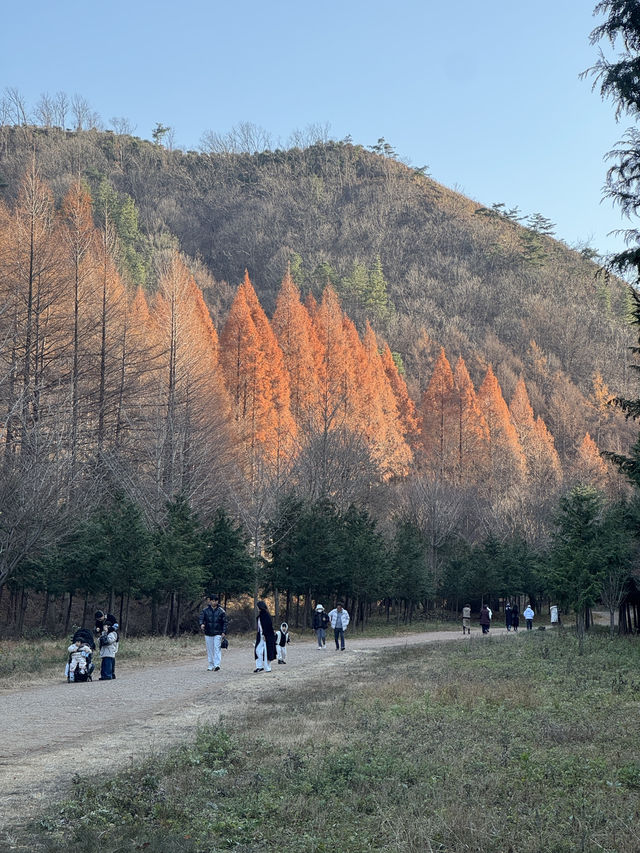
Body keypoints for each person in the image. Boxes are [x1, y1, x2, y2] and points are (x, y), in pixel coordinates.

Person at [199, 593, 228, 671]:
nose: (214, 602)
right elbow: (201, 618)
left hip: (218, 632)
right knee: (210, 649)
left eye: (215, 601)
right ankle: (211, 664)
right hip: (208, 632)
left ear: (217, 602)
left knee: (217, 648)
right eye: (212, 601)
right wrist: (201, 624)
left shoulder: (221, 611)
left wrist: (224, 631)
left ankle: (217, 664)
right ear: (210, 601)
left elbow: (225, 622)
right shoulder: (205, 610)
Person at [254, 600, 277, 672]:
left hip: (267, 635)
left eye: (258, 607)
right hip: (260, 635)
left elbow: (268, 626)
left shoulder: (266, 615)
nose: (257, 608)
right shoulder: (260, 615)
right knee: (258, 650)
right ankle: (259, 666)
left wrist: (264, 634)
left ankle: (267, 667)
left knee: (267, 651)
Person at [94, 610, 118, 677]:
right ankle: (109, 674)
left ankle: (110, 674)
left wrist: (109, 629)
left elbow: (116, 625)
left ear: (103, 616)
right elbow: (96, 629)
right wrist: (97, 630)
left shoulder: (110, 617)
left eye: (100, 618)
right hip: (103, 638)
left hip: (111, 638)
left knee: (111, 657)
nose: (99, 620)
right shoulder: (98, 621)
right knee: (106, 658)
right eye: (98, 619)